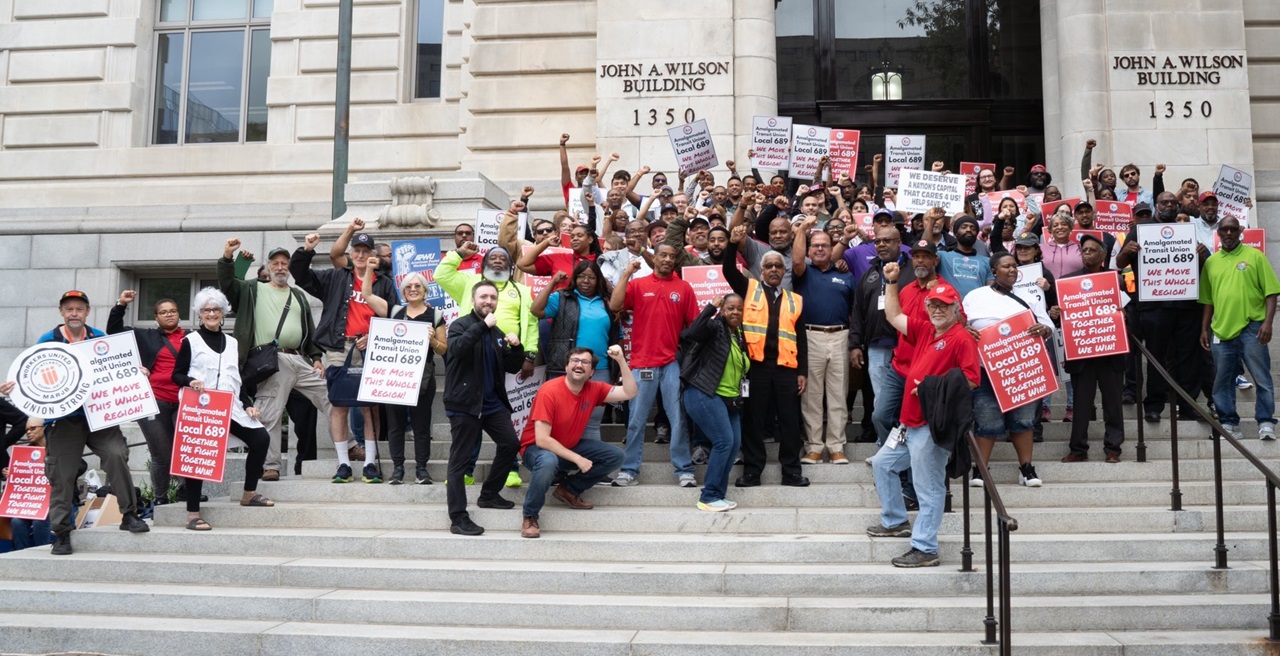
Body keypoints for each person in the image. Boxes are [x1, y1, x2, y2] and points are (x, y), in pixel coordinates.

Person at [0, 290, 149, 555]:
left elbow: (118, 367)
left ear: (87, 312)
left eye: (79, 309)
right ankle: (61, 534)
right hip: (64, 420)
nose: (74, 314)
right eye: (69, 309)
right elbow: (31, 375)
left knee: (116, 455)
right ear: (61, 312)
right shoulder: (48, 341)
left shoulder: (98, 338)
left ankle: (129, 515)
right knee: (61, 475)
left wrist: (135, 373)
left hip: (100, 413)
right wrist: (14, 388)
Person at [868, 268, 980, 568]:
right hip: (908, 423)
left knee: (928, 487)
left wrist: (931, 387)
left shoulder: (961, 338)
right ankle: (895, 521)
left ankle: (925, 547)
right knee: (882, 464)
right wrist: (892, 282)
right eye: (933, 305)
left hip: (932, 425)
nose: (937, 310)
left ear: (956, 309)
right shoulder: (927, 330)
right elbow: (894, 317)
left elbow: (971, 379)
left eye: (943, 306)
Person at [218, 239, 333, 482]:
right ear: (269, 267)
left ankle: (350, 445)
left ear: (289, 267)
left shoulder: (298, 295)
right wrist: (229, 256)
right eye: (275, 263)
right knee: (269, 413)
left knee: (332, 397)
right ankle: (271, 466)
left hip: (299, 359)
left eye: (284, 263)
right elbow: (227, 284)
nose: (280, 267)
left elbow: (309, 330)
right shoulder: (252, 289)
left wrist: (315, 357)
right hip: (271, 359)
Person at [289, 223, 395, 483]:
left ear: (373, 255)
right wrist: (307, 250)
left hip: (372, 347)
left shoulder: (384, 283)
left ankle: (370, 462)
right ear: (351, 254)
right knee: (339, 404)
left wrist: (374, 335)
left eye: (365, 250)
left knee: (370, 405)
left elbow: (394, 316)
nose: (360, 255)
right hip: (339, 347)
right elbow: (301, 276)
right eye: (356, 250)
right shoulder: (336, 277)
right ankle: (343, 464)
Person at [170, 288, 276, 531]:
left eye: (216, 309)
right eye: (206, 310)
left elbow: (235, 378)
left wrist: (247, 405)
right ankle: (193, 514)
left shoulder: (232, 342)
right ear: (199, 314)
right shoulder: (190, 341)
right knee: (198, 455)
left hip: (229, 405)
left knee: (260, 438)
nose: (211, 313)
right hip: (200, 406)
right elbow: (176, 374)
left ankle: (249, 493)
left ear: (223, 313)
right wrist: (190, 382)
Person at [436, 238, 538, 487]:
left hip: (505, 359)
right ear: (482, 264)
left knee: (507, 422)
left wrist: (528, 353)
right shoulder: (469, 282)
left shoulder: (522, 291)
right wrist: (458, 254)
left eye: (503, 257)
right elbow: (441, 274)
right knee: (471, 419)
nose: (498, 260)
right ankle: (466, 471)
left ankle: (510, 470)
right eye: (493, 257)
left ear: (512, 266)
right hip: (470, 360)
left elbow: (531, 322)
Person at [722, 227, 810, 488]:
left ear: (784, 272)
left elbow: (801, 339)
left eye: (778, 267)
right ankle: (752, 472)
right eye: (768, 266)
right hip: (755, 368)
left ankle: (792, 472)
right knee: (754, 421)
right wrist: (732, 244)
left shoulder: (795, 300)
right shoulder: (748, 288)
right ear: (762, 270)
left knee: (790, 422)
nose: (773, 270)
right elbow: (728, 271)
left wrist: (802, 371)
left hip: (786, 369)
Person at [519, 346, 636, 538]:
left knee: (616, 456)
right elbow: (542, 439)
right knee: (548, 461)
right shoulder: (549, 391)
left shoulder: (595, 388)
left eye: (585, 362)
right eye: (574, 360)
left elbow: (630, 392)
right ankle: (530, 515)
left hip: (568, 445)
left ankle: (568, 490)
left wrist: (621, 361)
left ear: (591, 372)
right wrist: (578, 459)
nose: (579, 365)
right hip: (536, 450)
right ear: (566, 366)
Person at [607, 246, 700, 487]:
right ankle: (629, 470)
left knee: (678, 419)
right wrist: (627, 273)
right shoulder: (639, 285)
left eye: (672, 256)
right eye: (663, 255)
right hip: (640, 364)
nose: (668, 259)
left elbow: (695, 326)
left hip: (670, 364)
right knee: (636, 420)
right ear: (654, 258)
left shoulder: (684, 288)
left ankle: (684, 470)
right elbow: (615, 305)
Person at [963, 253, 1055, 488]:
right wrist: (965, 329)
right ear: (994, 270)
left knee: (1024, 420)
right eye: (1007, 266)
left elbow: (1049, 325)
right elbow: (959, 323)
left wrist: (1043, 329)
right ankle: (980, 469)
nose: (1013, 269)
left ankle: (1026, 468)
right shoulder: (975, 296)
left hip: (1022, 368)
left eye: (1015, 266)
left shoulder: (1030, 297)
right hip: (986, 370)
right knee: (986, 419)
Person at [443, 281, 525, 536]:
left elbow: (512, 367)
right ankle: (458, 517)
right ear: (473, 299)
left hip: (491, 405)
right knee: (460, 460)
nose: (488, 301)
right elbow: (456, 350)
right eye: (483, 297)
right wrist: (482, 326)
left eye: (492, 297)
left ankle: (489, 494)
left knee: (511, 444)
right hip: (465, 404)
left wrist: (516, 347)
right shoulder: (461, 325)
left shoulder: (496, 332)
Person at [1116, 197, 1207, 423]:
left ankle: (1188, 405)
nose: (1169, 206)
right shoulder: (1140, 230)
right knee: (1156, 355)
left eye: (1173, 203)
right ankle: (1154, 405)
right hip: (1154, 306)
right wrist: (1127, 251)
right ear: (1156, 205)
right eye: (1164, 202)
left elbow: (1199, 264)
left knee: (1188, 358)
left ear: (1178, 207)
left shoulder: (1185, 231)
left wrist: (1203, 255)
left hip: (1186, 306)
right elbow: (1119, 263)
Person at [1199, 217, 1280, 441]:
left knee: (1261, 377)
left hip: (1252, 328)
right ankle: (1228, 423)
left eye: (1232, 229)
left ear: (1240, 231)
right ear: (1218, 232)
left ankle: (1265, 422)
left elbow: (1271, 292)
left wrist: (1268, 323)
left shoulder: (1255, 256)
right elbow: (1207, 300)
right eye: (1223, 229)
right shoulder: (1211, 262)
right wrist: (1204, 328)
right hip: (1221, 330)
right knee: (1222, 380)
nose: (1227, 233)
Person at [108, 290, 187, 501]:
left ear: (179, 314)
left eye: (173, 311)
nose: (169, 315)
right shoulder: (145, 336)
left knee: (185, 450)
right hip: (154, 402)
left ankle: (185, 492)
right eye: (163, 312)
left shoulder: (191, 337)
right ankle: (160, 499)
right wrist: (121, 305)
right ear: (156, 317)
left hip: (184, 402)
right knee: (162, 455)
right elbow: (113, 331)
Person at [791, 216, 855, 464]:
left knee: (838, 395)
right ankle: (814, 447)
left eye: (824, 245)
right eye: (815, 245)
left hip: (840, 335)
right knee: (812, 396)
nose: (819, 249)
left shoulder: (846, 276)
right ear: (809, 250)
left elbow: (852, 308)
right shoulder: (804, 272)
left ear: (833, 249)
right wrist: (804, 229)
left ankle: (837, 446)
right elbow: (796, 260)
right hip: (810, 336)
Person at [681, 294, 750, 511]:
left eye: (739, 309)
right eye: (730, 308)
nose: (735, 312)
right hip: (703, 392)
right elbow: (692, 333)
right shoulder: (714, 327)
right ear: (722, 310)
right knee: (723, 441)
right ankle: (708, 496)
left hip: (729, 400)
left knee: (733, 444)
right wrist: (711, 307)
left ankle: (718, 494)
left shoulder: (738, 335)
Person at [1060, 234, 1126, 462]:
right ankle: (1078, 449)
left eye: (1091, 250)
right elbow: (1062, 316)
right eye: (1084, 250)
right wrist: (1056, 313)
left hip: (1110, 352)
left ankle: (1113, 449)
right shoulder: (1067, 282)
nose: (1087, 253)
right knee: (1081, 405)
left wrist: (1123, 314)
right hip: (1082, 354)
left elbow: (1130, 313)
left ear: (1103, 255)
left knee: (1113, 404)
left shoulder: (1116, 281)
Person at [386, 273, 448, 484]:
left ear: (425, 290)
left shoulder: (435, 315)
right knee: (396, 424)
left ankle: (421, 469)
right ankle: (398, 469)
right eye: (408, 286)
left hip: (423, 377)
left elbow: (443, 350)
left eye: (417, 286)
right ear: (403, 291)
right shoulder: (395, 312)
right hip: (396, 376)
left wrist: (431, 341)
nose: (413, 289)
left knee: (421, 425)